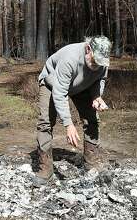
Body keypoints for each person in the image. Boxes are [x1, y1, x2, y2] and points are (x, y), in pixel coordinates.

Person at [34, 35, 111, 183]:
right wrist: (68, 124)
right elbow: (60, 93)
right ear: (88, 49)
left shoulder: (103, 60)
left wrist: (96, 96)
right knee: (45, 123)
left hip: (81, 86)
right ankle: (45, 169)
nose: (97, 65)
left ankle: (91, 162)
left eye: (100, 63)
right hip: (52, 84)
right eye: (95, 61)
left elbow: (99, 79)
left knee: (92, 119)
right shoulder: (70, 58)